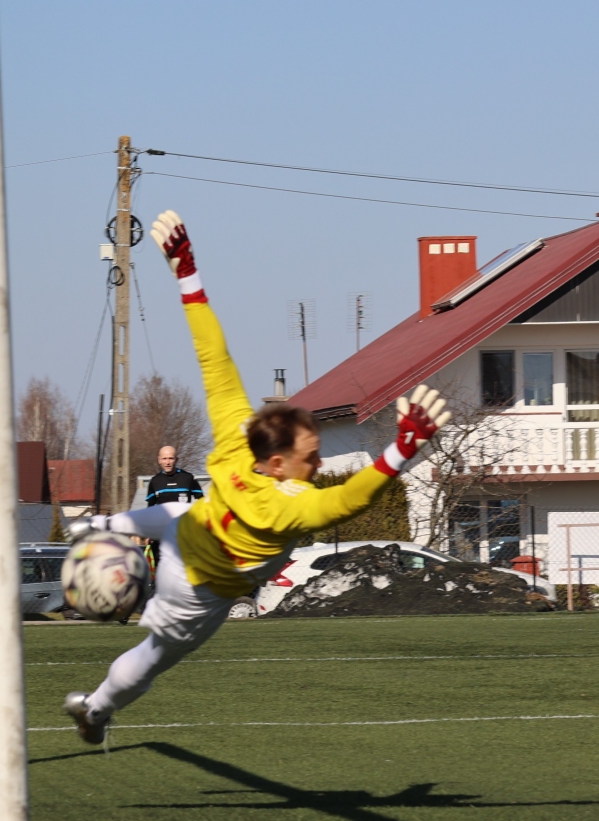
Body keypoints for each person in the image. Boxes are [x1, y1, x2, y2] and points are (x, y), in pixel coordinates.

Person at [62, 210, 450, 744]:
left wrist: (186, 272)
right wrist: (401, 450)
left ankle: (101, 525)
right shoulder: (283, 505)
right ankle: (97, 712)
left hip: (188, 533)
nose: (316, 466)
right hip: (196, 591)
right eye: (309, 457)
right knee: (154, 657)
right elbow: (349, 501)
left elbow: (213, 358)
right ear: (275, 463)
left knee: (179, 510)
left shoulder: (236, 437)